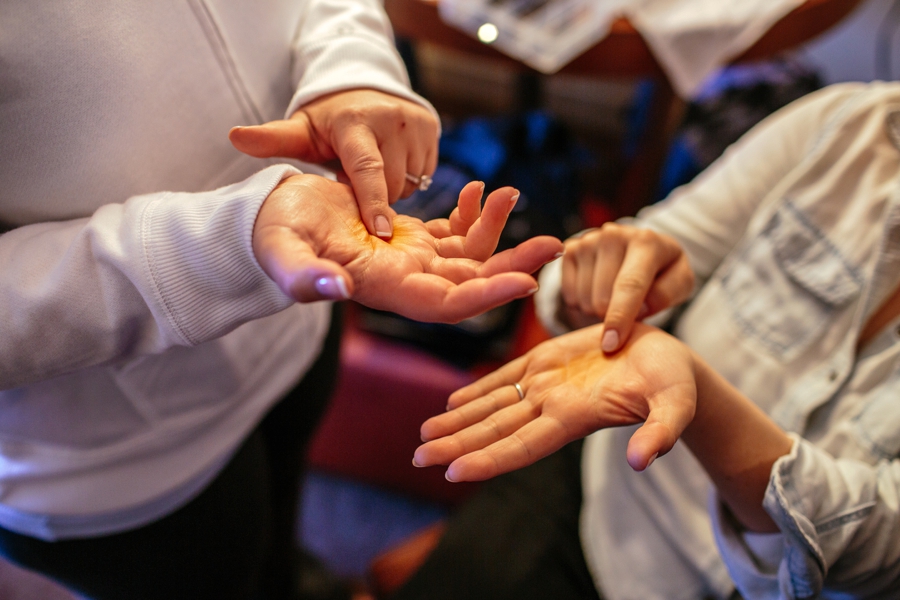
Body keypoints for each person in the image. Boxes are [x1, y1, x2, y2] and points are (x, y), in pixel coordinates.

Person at [0, 2, 563, 599]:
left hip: (298, 321)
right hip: (116, 457)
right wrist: (225, 243)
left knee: (279, 541)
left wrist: (353, 67)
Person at [403, 80, 900, 600]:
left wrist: (698, 399)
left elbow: (873, 547)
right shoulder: (851, 122)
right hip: (600, 484)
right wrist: (597, 283)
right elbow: (658, 242)